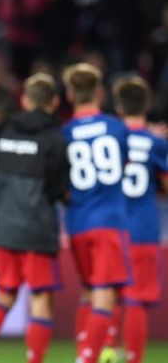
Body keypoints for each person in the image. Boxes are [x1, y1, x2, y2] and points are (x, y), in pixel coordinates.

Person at [0, 73, 68, 363]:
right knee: (40, 299)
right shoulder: (54, 139)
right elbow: (57, 187)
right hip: (37, 228)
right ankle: (34, 359)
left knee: (5, 294)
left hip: (6, 227)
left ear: (25, 100)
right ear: (54, 102)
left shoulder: (6, 133)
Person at [61, 63, 132, 363]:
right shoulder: (117, 128)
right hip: (109, 221)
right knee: (105, 296)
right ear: (100, 92)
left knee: (88, 294)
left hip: (77, 223)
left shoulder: (64, 134)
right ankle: (87, 358)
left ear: (70, 94)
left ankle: (84, 351)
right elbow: (124, 166)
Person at [99, 76, 168, 363]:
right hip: (142, 228)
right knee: (136, 298)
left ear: (118, 107)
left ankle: (106, 350)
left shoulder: (109, 139)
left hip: (110, 226)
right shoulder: (154, 142)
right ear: (148, 104)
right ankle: (133, 359)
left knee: (108, 295)